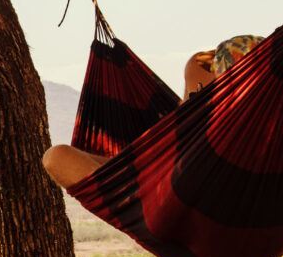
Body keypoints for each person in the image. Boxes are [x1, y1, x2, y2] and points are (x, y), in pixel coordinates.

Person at [42, 34, 265, 190]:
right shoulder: (209, 115)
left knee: (58, 158)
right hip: (161, 168)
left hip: (181, 186)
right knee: (59, 156)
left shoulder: (249, 128)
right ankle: (127, 172)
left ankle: (129, 176)